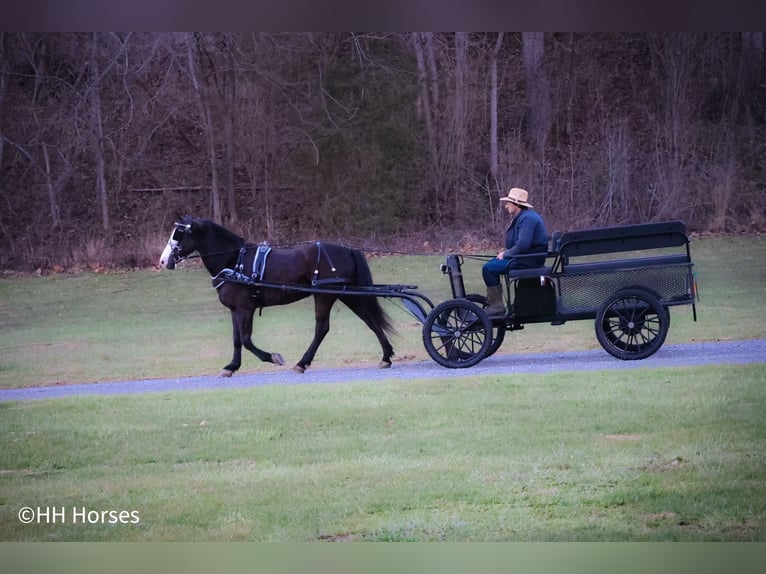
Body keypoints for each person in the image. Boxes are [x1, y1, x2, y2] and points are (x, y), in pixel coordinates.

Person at [482, 187, 549, 317]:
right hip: (524, 258)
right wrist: (506, 253)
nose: (506, 205)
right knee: (491, 264)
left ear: (517, 204)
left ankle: (497, 307)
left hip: (528, 261)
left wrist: (506, 254)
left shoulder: (527, 219)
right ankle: (495, 304)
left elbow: (523, 244)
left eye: (508, 203)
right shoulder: (524, 216)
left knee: (489, 268)